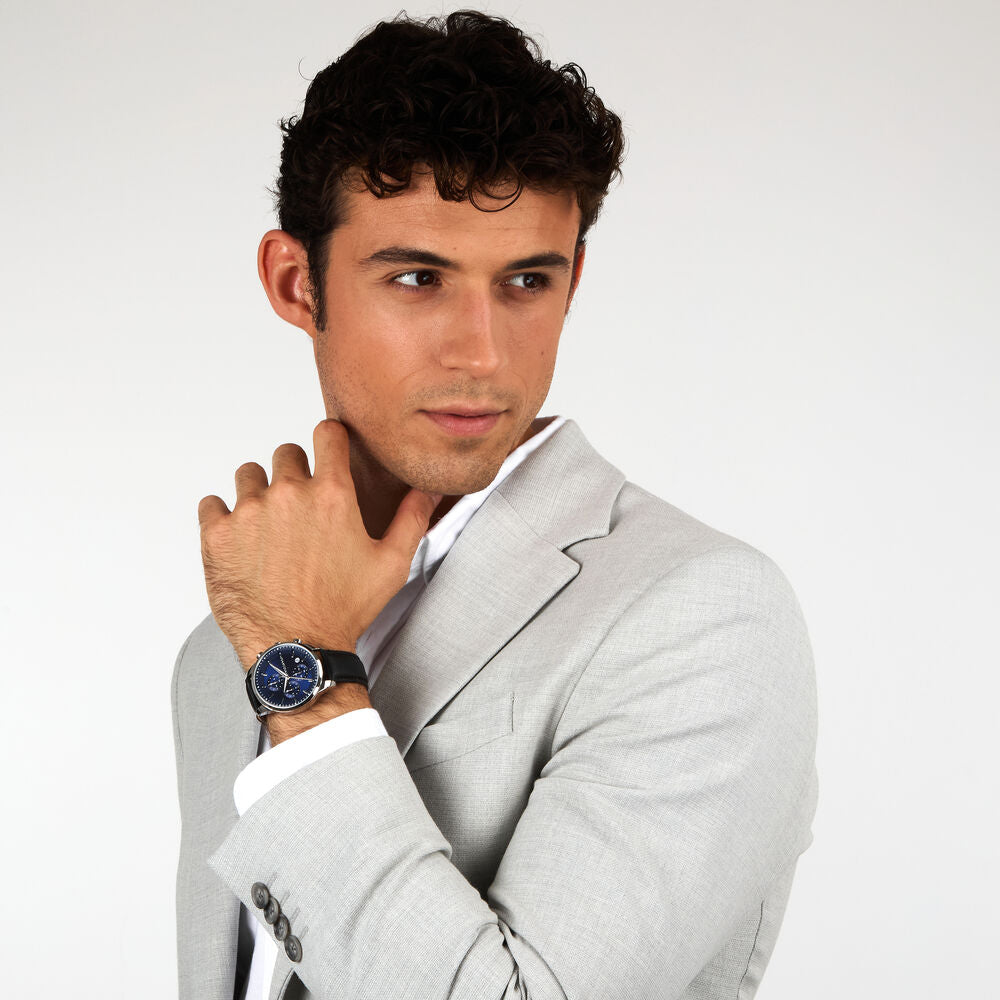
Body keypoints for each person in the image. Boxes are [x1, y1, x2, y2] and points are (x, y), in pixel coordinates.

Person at [171, 10, 819, 1000]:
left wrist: (307, 685)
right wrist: (279, 647)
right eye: (418, 278)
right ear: (297, 283)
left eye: (525, 280)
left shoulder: (703, 615)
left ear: (572, 282)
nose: (481, 351)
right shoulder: (225, 652)